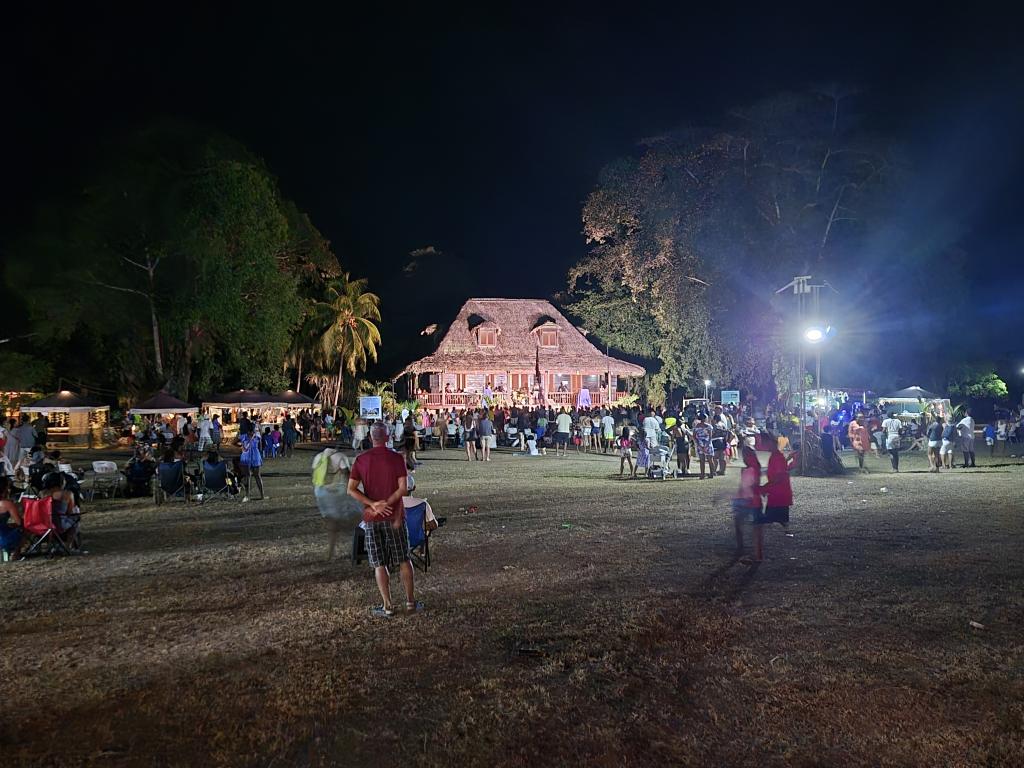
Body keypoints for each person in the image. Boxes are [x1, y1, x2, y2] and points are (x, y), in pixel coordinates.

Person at [348, 422, 419, 617]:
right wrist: (387, 503)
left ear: (371, 437)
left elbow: (351, 489)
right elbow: (403, 488)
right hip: (395, 517)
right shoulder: (396, 458)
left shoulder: (361, 460)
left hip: (372, 518)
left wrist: (373, 504)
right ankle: (410, 602)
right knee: (404, 558)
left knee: (379, 562)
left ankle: (387, 606)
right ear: (388, 438)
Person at [312, 447, 362, 560]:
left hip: (321, 493)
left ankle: (330, 552)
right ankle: (357, 549)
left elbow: (315, 476)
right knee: (357, 519)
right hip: (337, 493)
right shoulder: (340, 457)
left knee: (331, 523)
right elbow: (347, 476)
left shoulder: (318, 457)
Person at [753, 438, 792, 562]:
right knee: (779, 516)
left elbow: (778, 476)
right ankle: (787, 531)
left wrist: (764, 487)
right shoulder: (776, 456)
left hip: (778, 492)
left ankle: (759, 551)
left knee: (765, 519)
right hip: (779, 492)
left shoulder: (777, 457)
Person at [733, 446, 762, 563]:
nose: (744, 459)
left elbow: (751, 485)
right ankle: (750, 550)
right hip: (747, 500)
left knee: (743, 525)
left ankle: (743, 548)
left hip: (748, 500)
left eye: (745, 456)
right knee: (749, 526)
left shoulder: (752, 469)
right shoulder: (752, 469)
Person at [0, 476, 24, 560]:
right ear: (5, 488)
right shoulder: (7, 503)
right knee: (23, 528)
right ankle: (15, 553)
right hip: (3, 539)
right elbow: (19, 522)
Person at [238, 430, 266, 501]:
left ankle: (248, 495)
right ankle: (261, 495)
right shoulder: (256, 435)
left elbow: (234, 442)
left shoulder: (244, 436)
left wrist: (242, 447)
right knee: (254, 476)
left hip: (248, 455)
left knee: (250, 476)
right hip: (253, 455)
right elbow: (261, 446)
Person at [692, 415, 715, 479]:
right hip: (708, 443)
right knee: (710, 460)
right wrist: (706, 445)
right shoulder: (709, 426)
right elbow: (710, 436)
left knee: (702, 460)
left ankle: (702, 474)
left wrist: (698, 444)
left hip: (700, 443)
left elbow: (694, 436)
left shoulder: (696, 427)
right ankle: (711, 473)